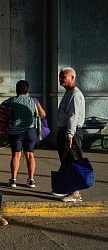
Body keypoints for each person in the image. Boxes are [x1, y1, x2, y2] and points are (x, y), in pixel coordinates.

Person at [56, 67, 86, 202]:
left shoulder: (75, 94)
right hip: (66, 132)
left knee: (73, 161)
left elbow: (73, 117)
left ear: (72, 78)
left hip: (71, 133)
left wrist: (69, 135)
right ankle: (69, 189)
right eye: (60, 77)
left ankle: (76, 192)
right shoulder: (69, 93)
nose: (61, 79)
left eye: (64, 77)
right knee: (67, 161)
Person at [7, 80, 41, 188]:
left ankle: (13, 180)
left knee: (16, 155)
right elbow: (42, 114)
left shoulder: (11, 100)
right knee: (30, 155)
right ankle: (31, 180)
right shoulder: (33, 101)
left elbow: (5, 114)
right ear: (28, 90)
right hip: (30, 132)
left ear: (17, 90)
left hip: (16, 132)